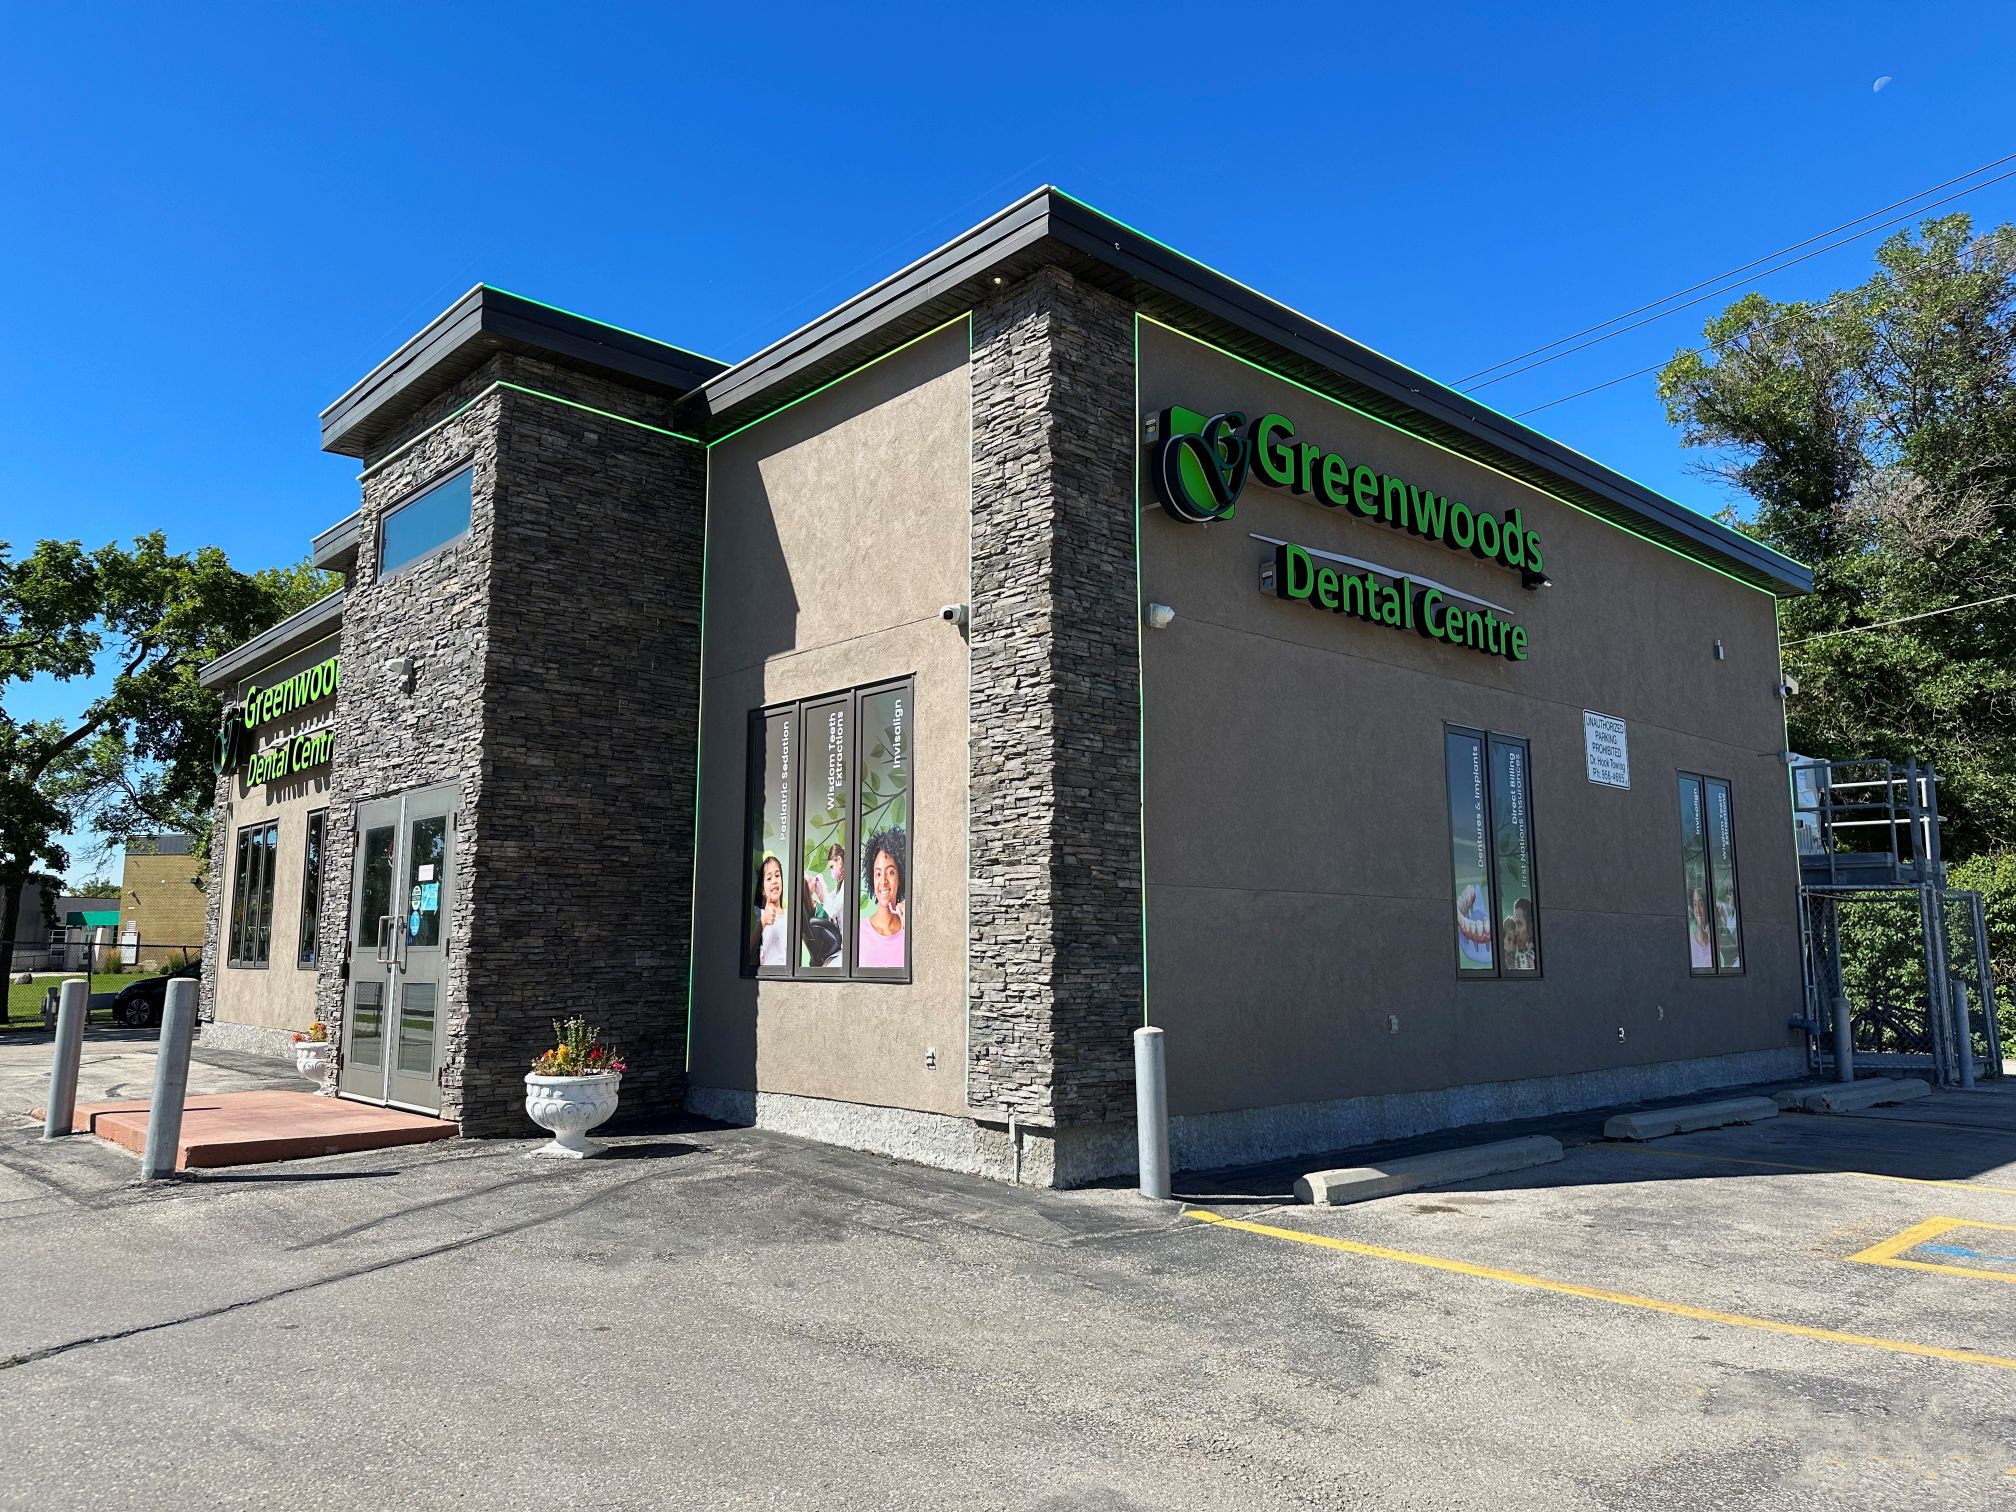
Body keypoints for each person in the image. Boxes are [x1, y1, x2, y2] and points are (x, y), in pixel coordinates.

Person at [858, 825, 907, 969]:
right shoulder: (859, 933)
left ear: (900, 877)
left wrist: (908, 929)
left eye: (890, 872)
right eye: (878, 874)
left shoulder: (909, 929)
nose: (883, 881)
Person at [751, 854, 786, 968]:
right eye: (769, 878)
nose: (774, 881)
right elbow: (745, 952)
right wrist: (762, 922)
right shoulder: (757, 914)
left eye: (777, 875)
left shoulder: (790, 916)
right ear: (762, 889)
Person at [1689, 886, 1714, 970]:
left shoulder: (1714, 941)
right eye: (1695, 904)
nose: (1698, 910)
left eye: (1701, 904)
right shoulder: (1690, 943)